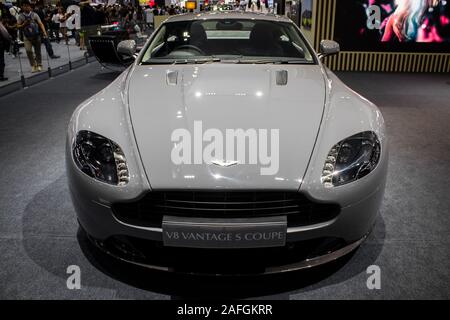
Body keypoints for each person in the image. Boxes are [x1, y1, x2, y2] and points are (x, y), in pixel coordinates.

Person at [17, 1, 48, 73]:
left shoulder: (35, 14)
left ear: (30, 7)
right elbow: (18, 26)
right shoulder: (20, 16)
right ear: (22, 7)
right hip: (27, 37)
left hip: (36, 36)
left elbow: (40, 23)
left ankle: (39, 64)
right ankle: (33, 65)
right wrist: (24, 24)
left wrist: (44, 32)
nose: (26, 7)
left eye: (27, 6)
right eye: (24, 6)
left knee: (38, 51)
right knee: (28, 50)